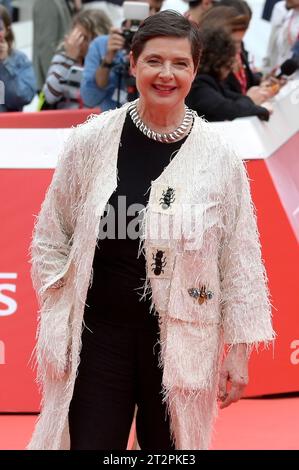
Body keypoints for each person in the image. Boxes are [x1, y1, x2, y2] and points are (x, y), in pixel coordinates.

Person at [28, 10, 275, 451]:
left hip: (184, 337)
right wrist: (58, 300)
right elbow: (51, 235)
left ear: (195, 70)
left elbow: (240, 258)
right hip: (97, 336)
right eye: (154, 61)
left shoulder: (219, 156)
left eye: (180, 63)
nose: (166, 74)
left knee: (171, 453)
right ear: (135, 64)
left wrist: (238, 349)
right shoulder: (91, 141)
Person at [81, 0, 164, 110]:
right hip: (111, 123)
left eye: (157, 9)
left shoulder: (161, 47)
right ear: (129, 6)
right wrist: (108, 58)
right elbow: (90, 99)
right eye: (148, 9)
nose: (153, 14)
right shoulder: (101, 45)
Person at [186, 28, 271, 121]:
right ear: (219, 62)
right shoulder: (199, 86)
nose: (230, 69)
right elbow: (231, 110)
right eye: (228, 65)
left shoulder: (211, 82)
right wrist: (251, 101)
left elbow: (234, 98)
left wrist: (256, 106)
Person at [41, 9, 111, 110]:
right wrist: (69, 59)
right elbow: (49, 96)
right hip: (66, 120)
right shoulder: (62, 59)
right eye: (77, 37)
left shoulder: (107, 62)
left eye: (85, 38)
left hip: (96, 120)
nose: (79, 44)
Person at [33, 0, 82, 91]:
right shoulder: (47, 2)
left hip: (59, 80)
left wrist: (77, 9)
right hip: (53, 85)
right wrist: (53, 85)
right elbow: (46, 47)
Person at [0, 5, 36, 112]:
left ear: (7, 30)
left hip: (9, 125)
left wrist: (5, 63)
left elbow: (24, 97)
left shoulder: (19, 59)